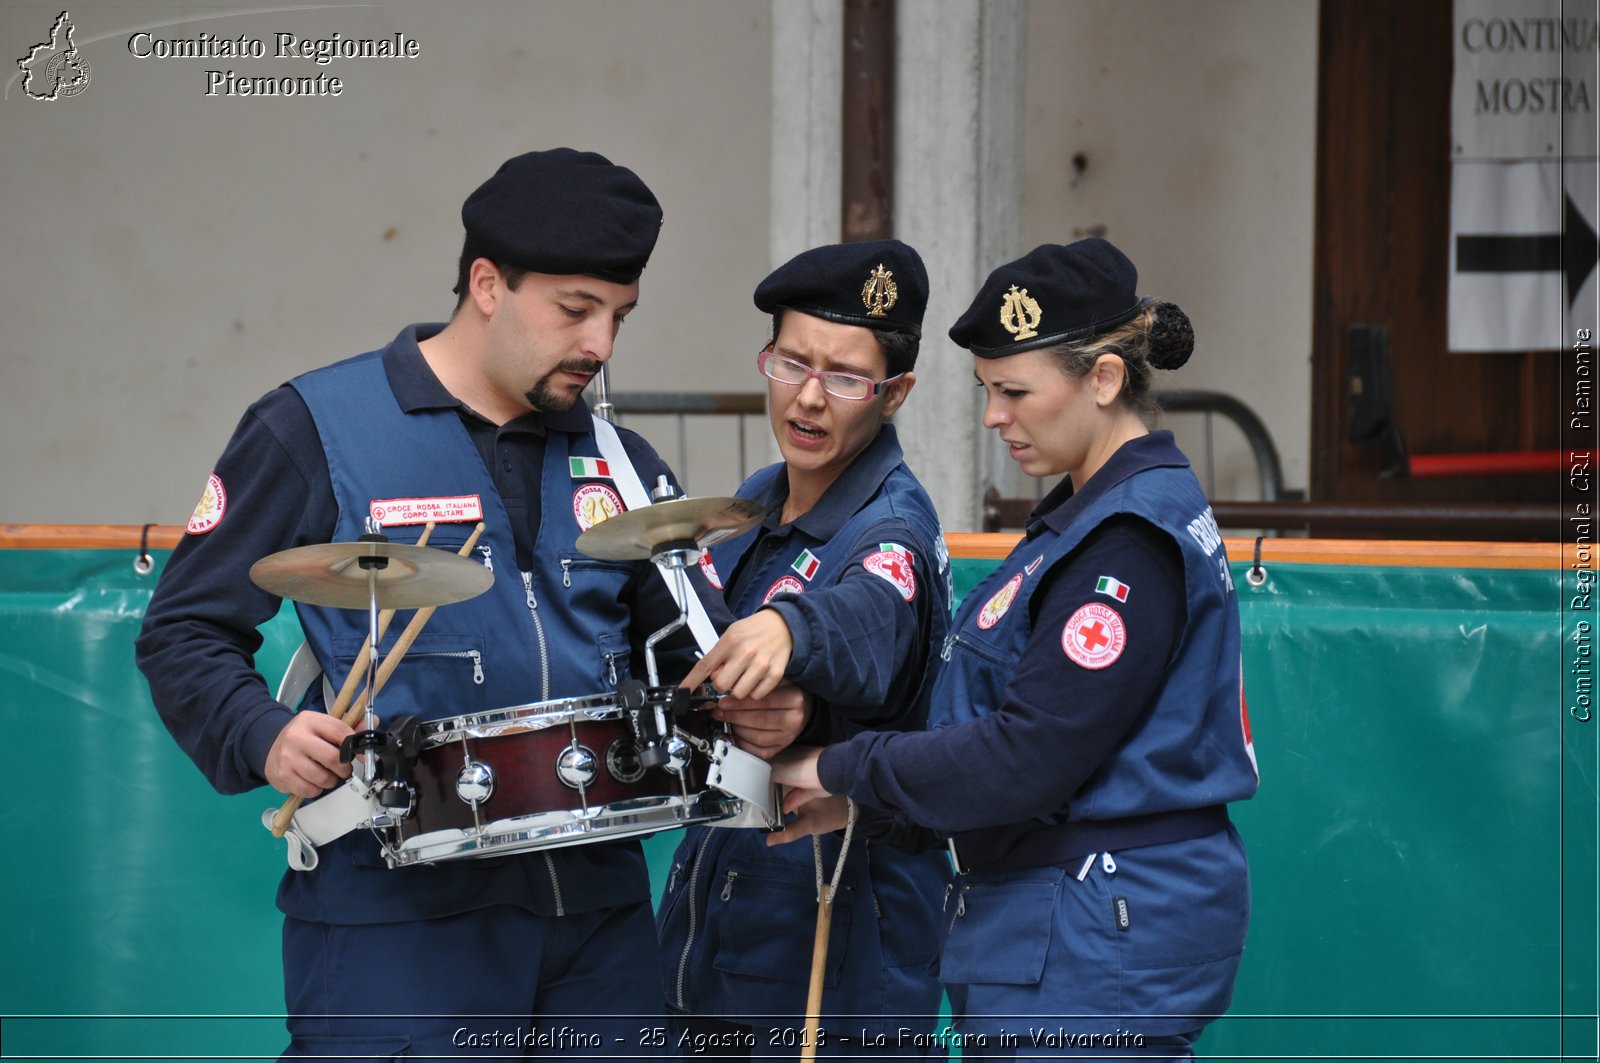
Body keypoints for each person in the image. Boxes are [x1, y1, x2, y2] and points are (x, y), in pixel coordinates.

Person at [135, 148, 729, 1060]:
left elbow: (688, 652)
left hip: (601, 912)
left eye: (619, 316)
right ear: (487, 283)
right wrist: (263, 733)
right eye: (575, 310)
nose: (601, 346)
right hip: (395, 916)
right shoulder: (316, 424)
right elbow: (184, 630)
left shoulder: (621, 460)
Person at [768, 239, 1259, 1060]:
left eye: (1015, 391)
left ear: (1103, 380)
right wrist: (873, 803)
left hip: (1097, 924)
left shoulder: (1126, 539)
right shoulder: (1095, 513)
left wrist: (841, 767)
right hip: (1069, 914)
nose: (995, 416)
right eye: (987, 391)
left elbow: (1030, 754)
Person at [656, 241, 953, 1055]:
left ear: (895, 393)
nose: (810, 399)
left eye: (847, 377)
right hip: (716, 921)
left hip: (837, 937)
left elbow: (872, 626)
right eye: (791, 362)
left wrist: (794, 630)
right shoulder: (758, 497)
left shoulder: (894, 528)